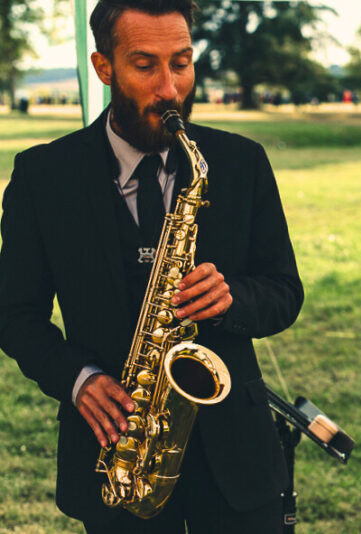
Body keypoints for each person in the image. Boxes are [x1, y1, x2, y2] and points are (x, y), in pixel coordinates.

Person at [0, 1, 303, 532]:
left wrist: (234, 298)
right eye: (146, 66)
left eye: (182, 62)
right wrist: (77, 379)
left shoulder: (241, 162)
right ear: (103, 68)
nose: (170, 89)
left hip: (238, 459)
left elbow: (284, 290)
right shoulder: (43, 176)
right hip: (117, 455)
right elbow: (14, 313)